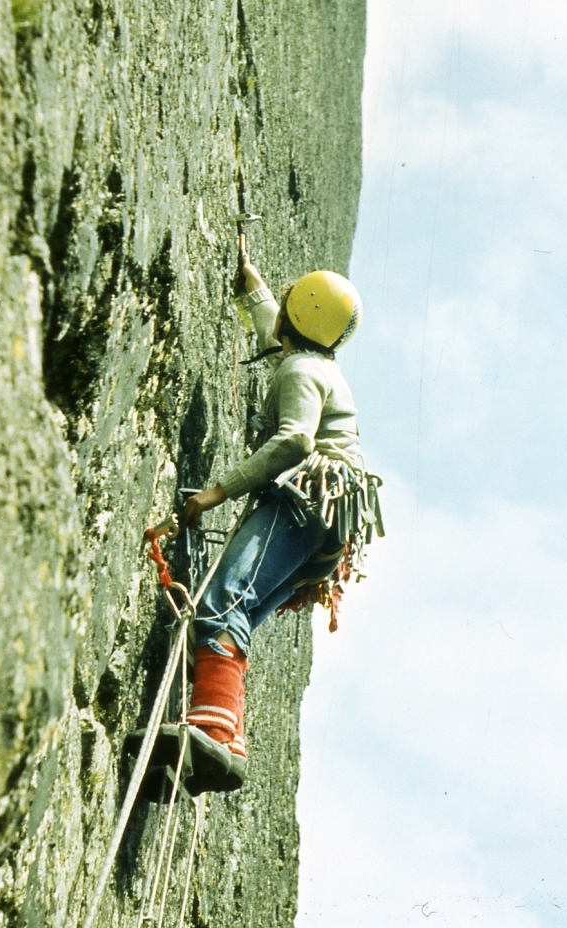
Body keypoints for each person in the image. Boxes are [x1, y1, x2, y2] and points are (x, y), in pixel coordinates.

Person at [175, 255, 380, 795]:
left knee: (223, 601)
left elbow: (295, 440)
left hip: (305, 501)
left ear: (300, 315)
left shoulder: (300, 371)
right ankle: (224, 741)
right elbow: (281, 329)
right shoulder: (315, 362)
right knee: (236, 614)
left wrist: (218, 491)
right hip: (330, 526)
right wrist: (254, 289)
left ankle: (212, 731)